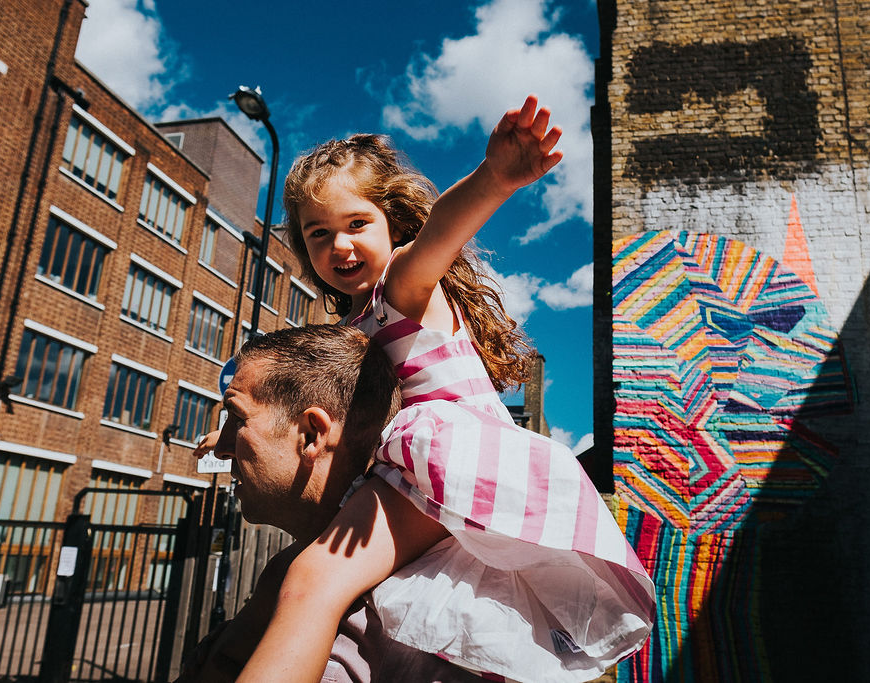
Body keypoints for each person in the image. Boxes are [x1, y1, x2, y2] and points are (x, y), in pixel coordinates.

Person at [239, 95, 656, 683]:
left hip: (446, 460)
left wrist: (495, 178)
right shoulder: (349, 328)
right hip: (414, 475)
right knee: (442, 629)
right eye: (318, 234)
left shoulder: (401, 289)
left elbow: (441, 231)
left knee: (311, 581)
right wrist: (238, 432)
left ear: (394, 223)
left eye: (357, 223)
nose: (339, 246)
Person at [176, 324, 485, 682]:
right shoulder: (289, 572)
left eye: (237, 418)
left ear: (311, 435)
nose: (221, 447)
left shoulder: (372, 635)